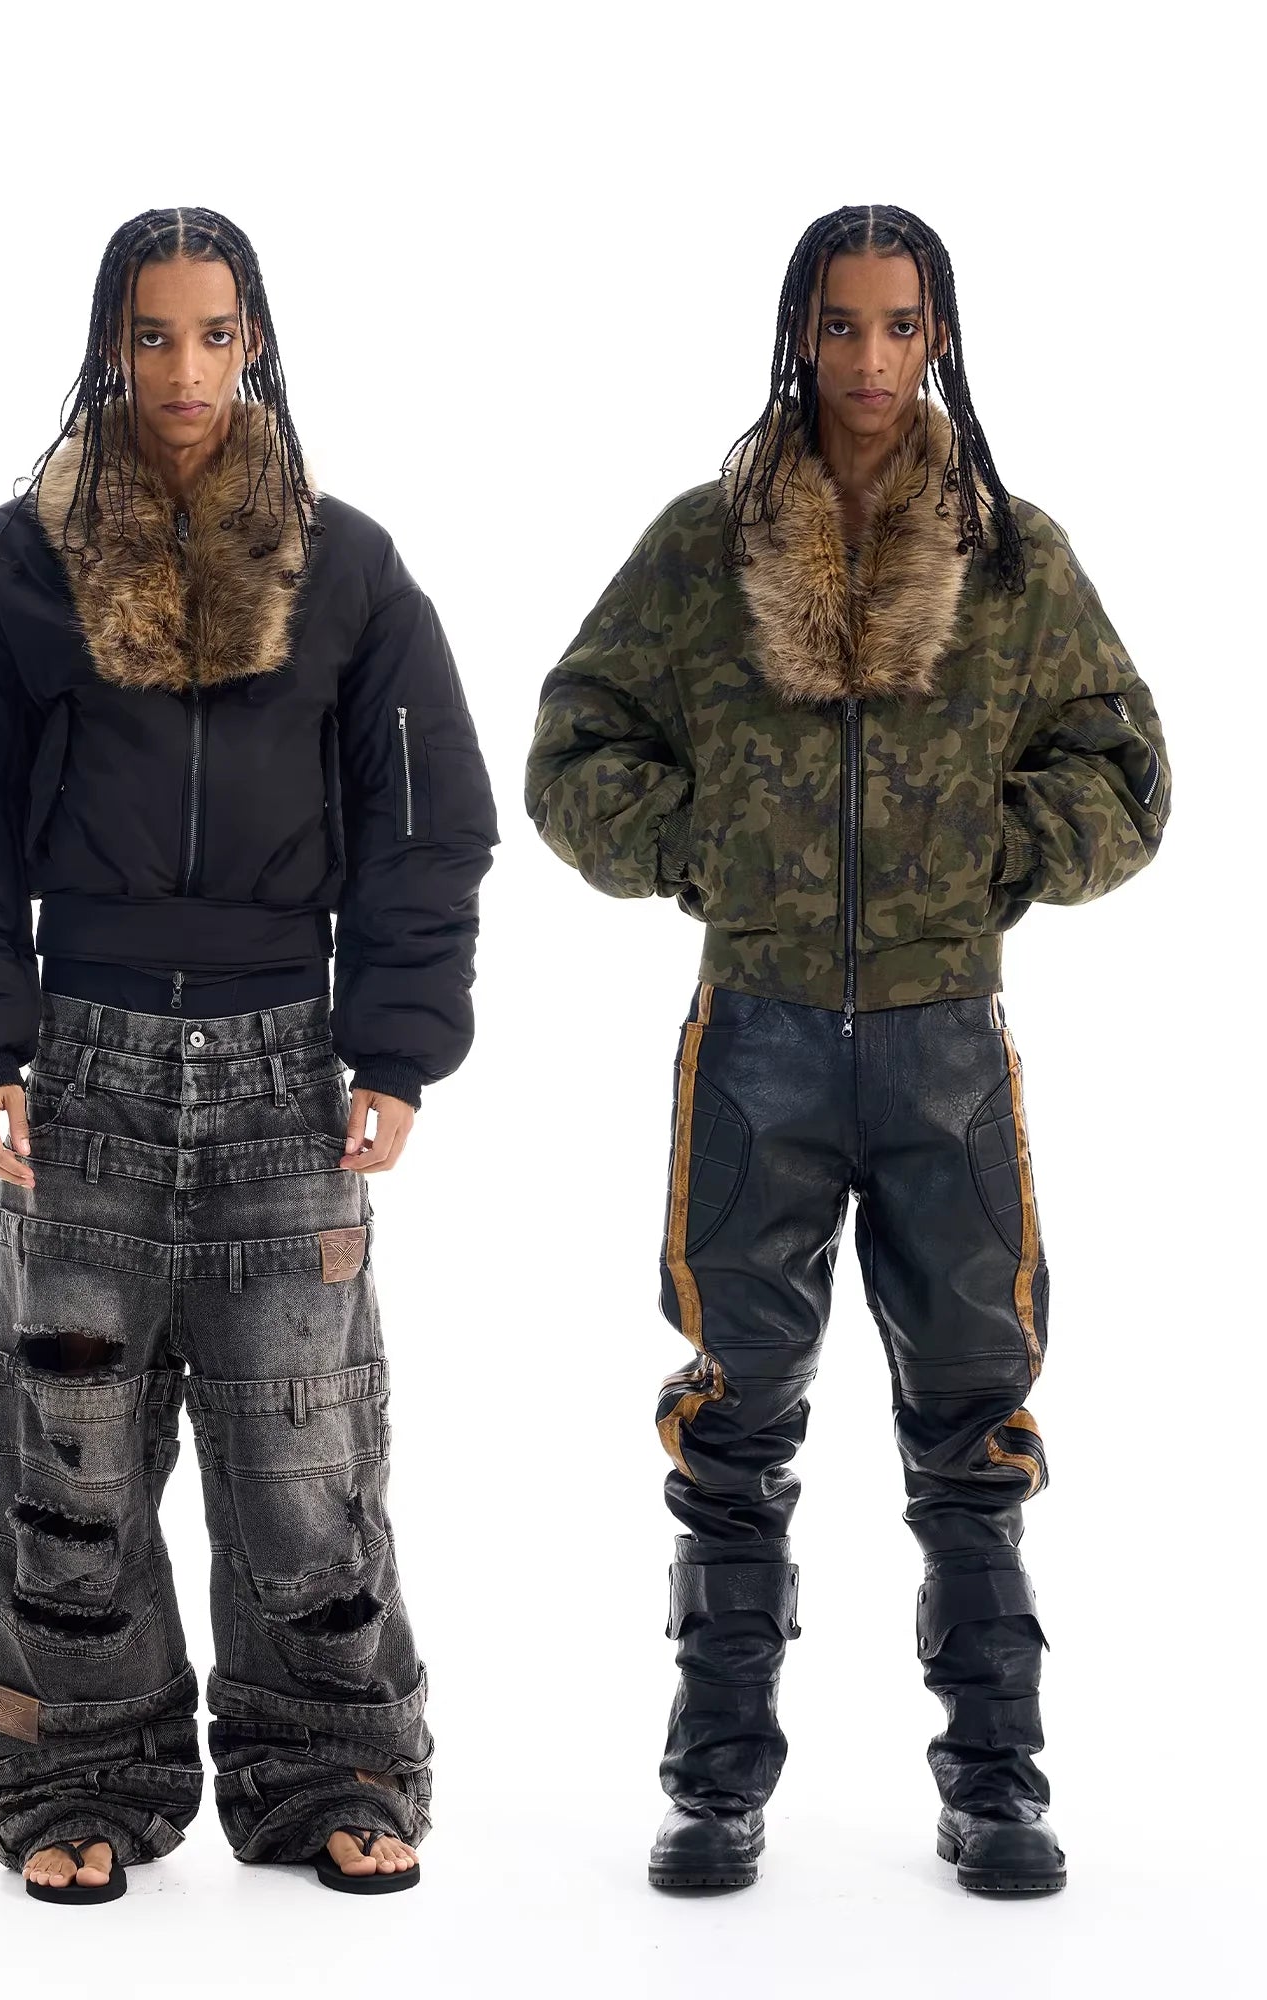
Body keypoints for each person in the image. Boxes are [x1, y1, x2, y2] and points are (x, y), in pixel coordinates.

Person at [524, 203, 1170, 1898]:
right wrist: (705, 849)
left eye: (899, 324)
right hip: (756, 1048)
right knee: (734, 1420)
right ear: (798, 333)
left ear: (937, 333)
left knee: (975, 1421)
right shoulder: (707, 544)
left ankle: (999, 1785)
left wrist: (997, 854)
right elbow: (574, 744)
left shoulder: (1013, 555)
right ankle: (715, 1788)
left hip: (948, 1049)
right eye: (840, 324)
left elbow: (1127, 771)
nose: (870, 358)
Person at [0, 205, 499, 1902]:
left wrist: (396, 1046)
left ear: (257, 343)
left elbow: (427, 816)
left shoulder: (349, 569)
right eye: (154, 336)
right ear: (111, 345)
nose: (186, 371)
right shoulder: (16, 569)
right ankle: (69, 1772)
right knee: (66, 1456)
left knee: (308, 1455)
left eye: (216, 335)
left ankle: (335, 1769)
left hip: (293, 1073)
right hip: (84, 1071)